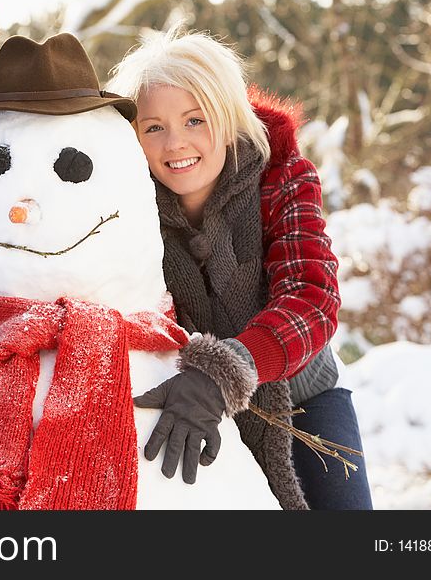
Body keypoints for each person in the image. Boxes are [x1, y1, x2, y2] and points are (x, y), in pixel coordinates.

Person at [107, 27, 373, 510]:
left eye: (195, 120)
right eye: (153, 127)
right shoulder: (125, 206)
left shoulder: (282, 175)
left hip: (302, 397)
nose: (174, 144)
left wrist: (225, 371)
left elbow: (311, 298)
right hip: (184, 402)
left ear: (228, 119)